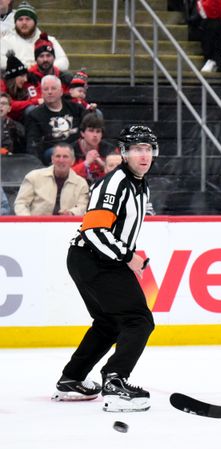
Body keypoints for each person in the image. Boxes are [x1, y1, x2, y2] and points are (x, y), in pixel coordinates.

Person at [51, 125, 158, 412]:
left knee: (109, 323)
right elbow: (94, 231)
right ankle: (115, 382)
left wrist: (125, 257)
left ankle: (71, 379)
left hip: (94, 259)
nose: (143, 154)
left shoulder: (140, 183)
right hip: (93, 258)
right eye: (137, 149)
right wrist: (128, 257)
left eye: (148, 148)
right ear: (124, 153)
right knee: (139, 320)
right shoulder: (115, 183)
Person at [14, 143, 88, 216]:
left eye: (65, 157)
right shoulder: (33, 177)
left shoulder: (81, 183)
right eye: (58, 156)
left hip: (68, 226)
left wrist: (72, 213)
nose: (61, 160)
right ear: (52, 159)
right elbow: (21, 203)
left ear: (73, 161)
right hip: (36, 225)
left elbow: (83, 206)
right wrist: (28, 221)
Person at [25, 74, 85, 163]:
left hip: (77, 149)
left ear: (61, 91)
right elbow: (33, 145)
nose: (49, 92)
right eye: (46, 89)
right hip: (52, 154)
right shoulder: (35, 115)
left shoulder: (77, 109)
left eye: (53, 88)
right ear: (41, 93)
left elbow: (86, 131)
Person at [0, 2, 69, 71]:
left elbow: (64, 62)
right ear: (15, 23)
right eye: (20, 19)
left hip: (42, 77)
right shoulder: (6, 41)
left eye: (28, 19)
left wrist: (41, 68)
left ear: (35, 22)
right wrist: (24, 68)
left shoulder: (48, 40)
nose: (24, 22)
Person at [71, 112, 117, 183]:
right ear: (82, 133)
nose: (95, 135)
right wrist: (86, 164)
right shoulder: (71, 150)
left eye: (98, 131)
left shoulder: (110, 150)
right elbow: (66, 175)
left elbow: (119, 174)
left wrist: (104, 166)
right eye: (91, 131)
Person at [196, 0, 221, 72]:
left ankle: (220, 62)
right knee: (212, 26)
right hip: (212, 20)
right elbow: (203, 6)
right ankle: (211, 59)